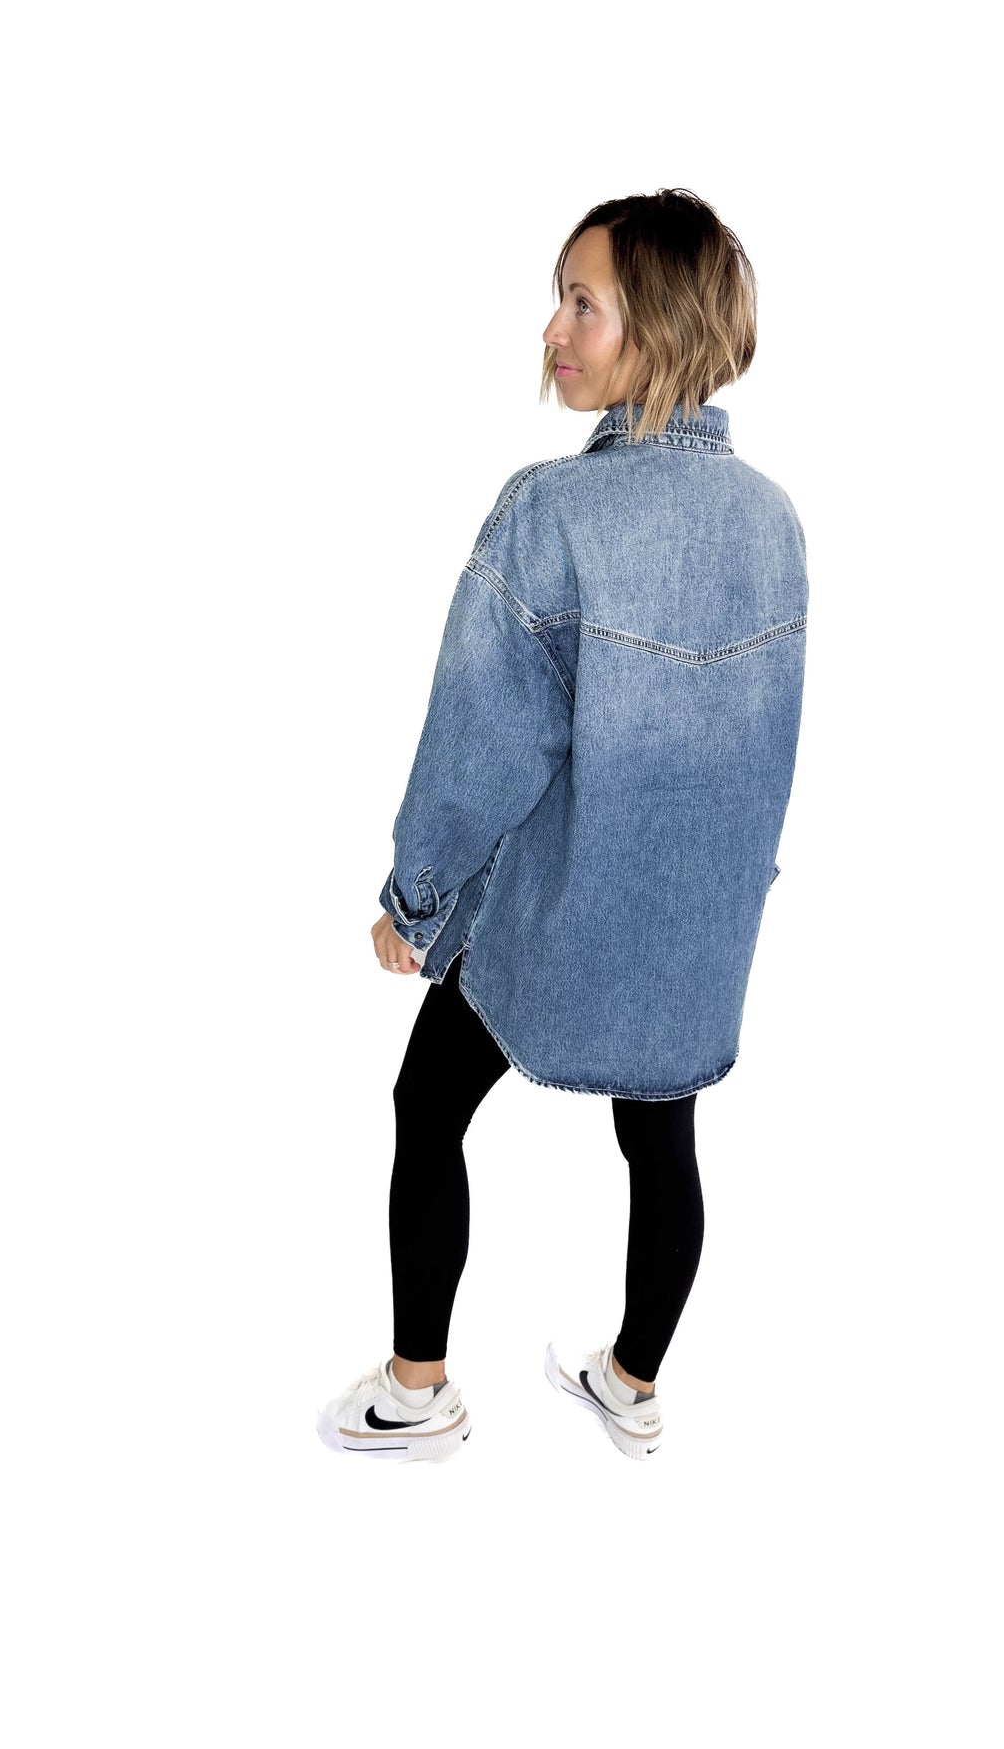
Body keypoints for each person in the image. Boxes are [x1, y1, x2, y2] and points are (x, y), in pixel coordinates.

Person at [317, 189, 808, 1463]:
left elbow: (482, 740)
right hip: (695, 925)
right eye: (560, 301)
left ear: (664, 325)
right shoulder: (775, 522)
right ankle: (632, 1386)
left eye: (585, 304)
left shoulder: (552, 511)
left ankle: (417, 1391)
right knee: (664, 1140)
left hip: (559, 912)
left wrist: (417, 901)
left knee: (429, 1101)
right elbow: (765, 747)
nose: (554, 331)